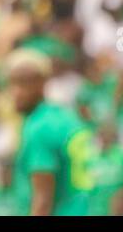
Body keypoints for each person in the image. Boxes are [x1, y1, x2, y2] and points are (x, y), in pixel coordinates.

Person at [7, 48, 96, 215]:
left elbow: (43, 200)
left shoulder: (39, 127)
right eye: (12, 83)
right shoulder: (65, 117)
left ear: (42, 83)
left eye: (24, 83)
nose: (16, 92)